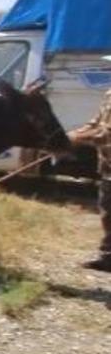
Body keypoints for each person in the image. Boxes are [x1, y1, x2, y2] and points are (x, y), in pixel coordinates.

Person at [68, 59, 111, 273]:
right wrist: (73, 134)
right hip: (107, 165)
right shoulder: (109, 94)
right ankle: (108, 257)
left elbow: (106, 134)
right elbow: (97, 123)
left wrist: (78, 139)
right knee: (107, 211)